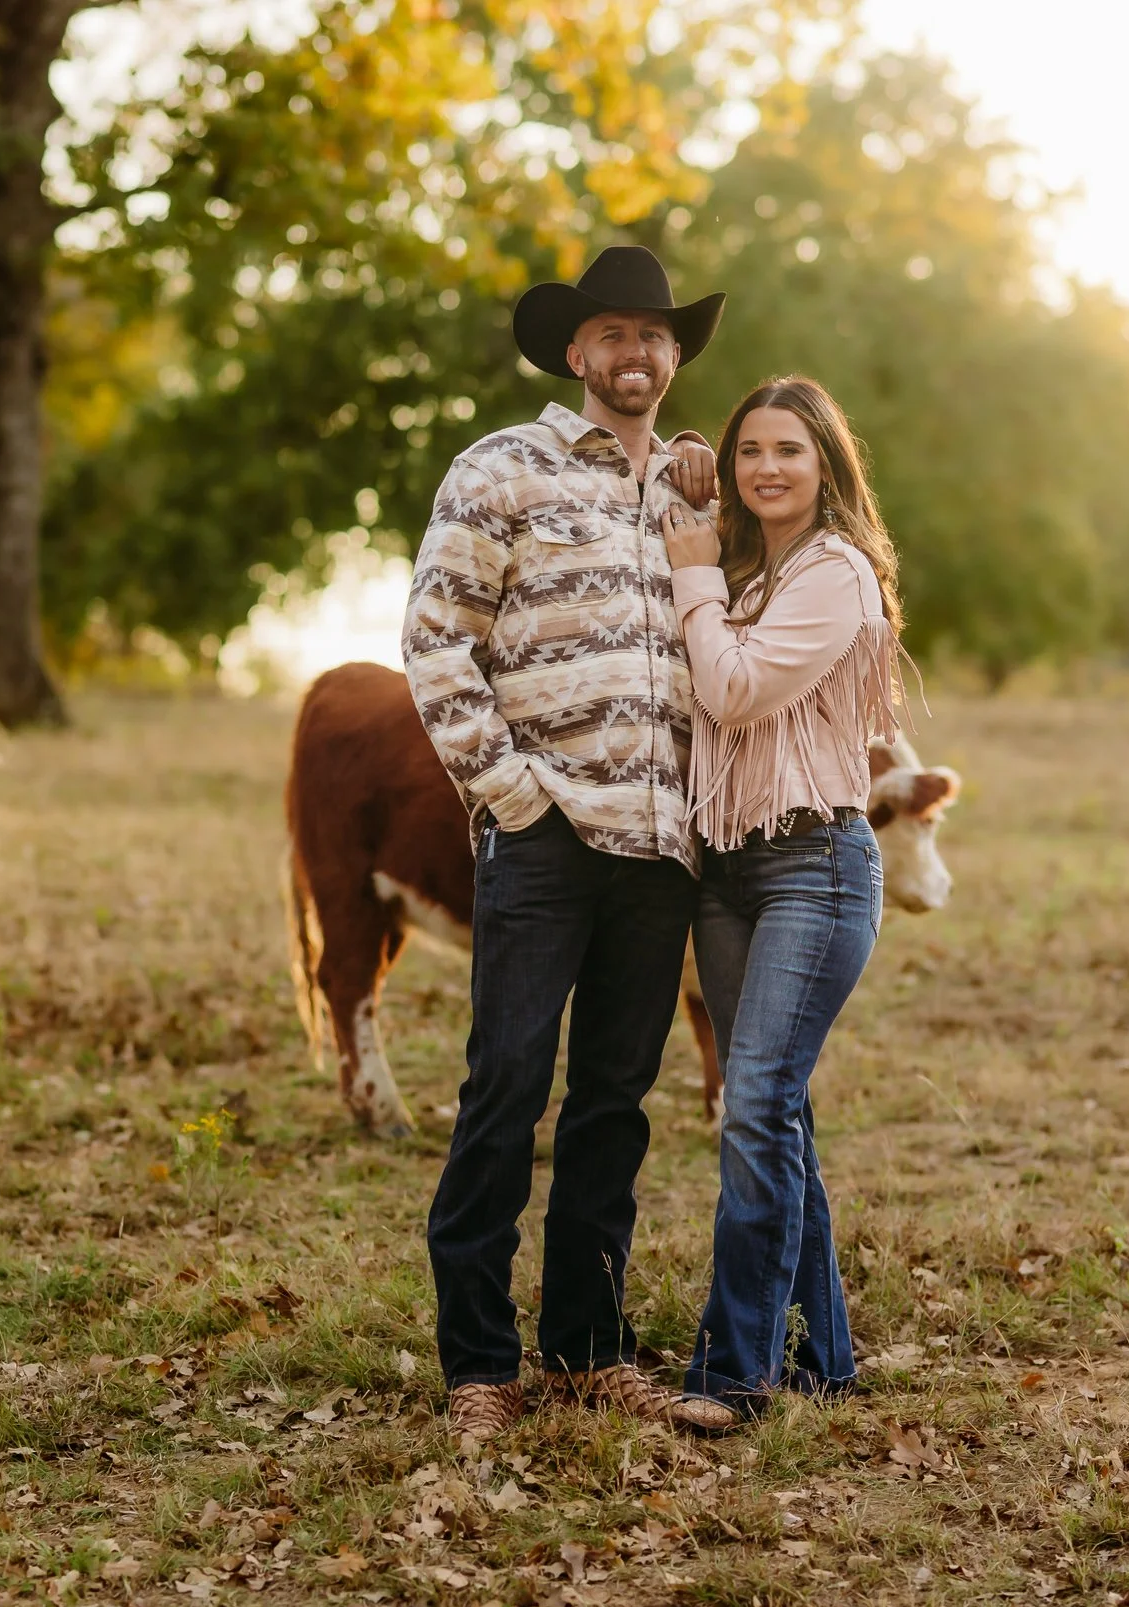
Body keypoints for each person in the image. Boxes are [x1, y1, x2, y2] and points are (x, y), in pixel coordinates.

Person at [402, 246, 733, 1445]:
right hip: (547, 832)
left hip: (661, 842)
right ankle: (478, 1362)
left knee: (613, 1101)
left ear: (673, 354)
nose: (634, 354)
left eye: (654, 336)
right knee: (505, 1085)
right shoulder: (505, 466)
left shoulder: (699, 493)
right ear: (574, 354)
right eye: (611, 335)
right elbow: (438, 641)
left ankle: (588, 1351)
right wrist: (511, 795)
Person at [658, 376, 904, 1419]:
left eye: (789, 450)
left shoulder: (834, 571)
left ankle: (735, 1374)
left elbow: (734, 687)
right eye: (749, 449)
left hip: (815, 863)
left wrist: (693, 577)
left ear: (826, 466)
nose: (767, 466)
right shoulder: (748, 574)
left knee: (752, 1104)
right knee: (778, 1113)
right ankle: (823, 1356)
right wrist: (683, 484)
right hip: (727, 870)